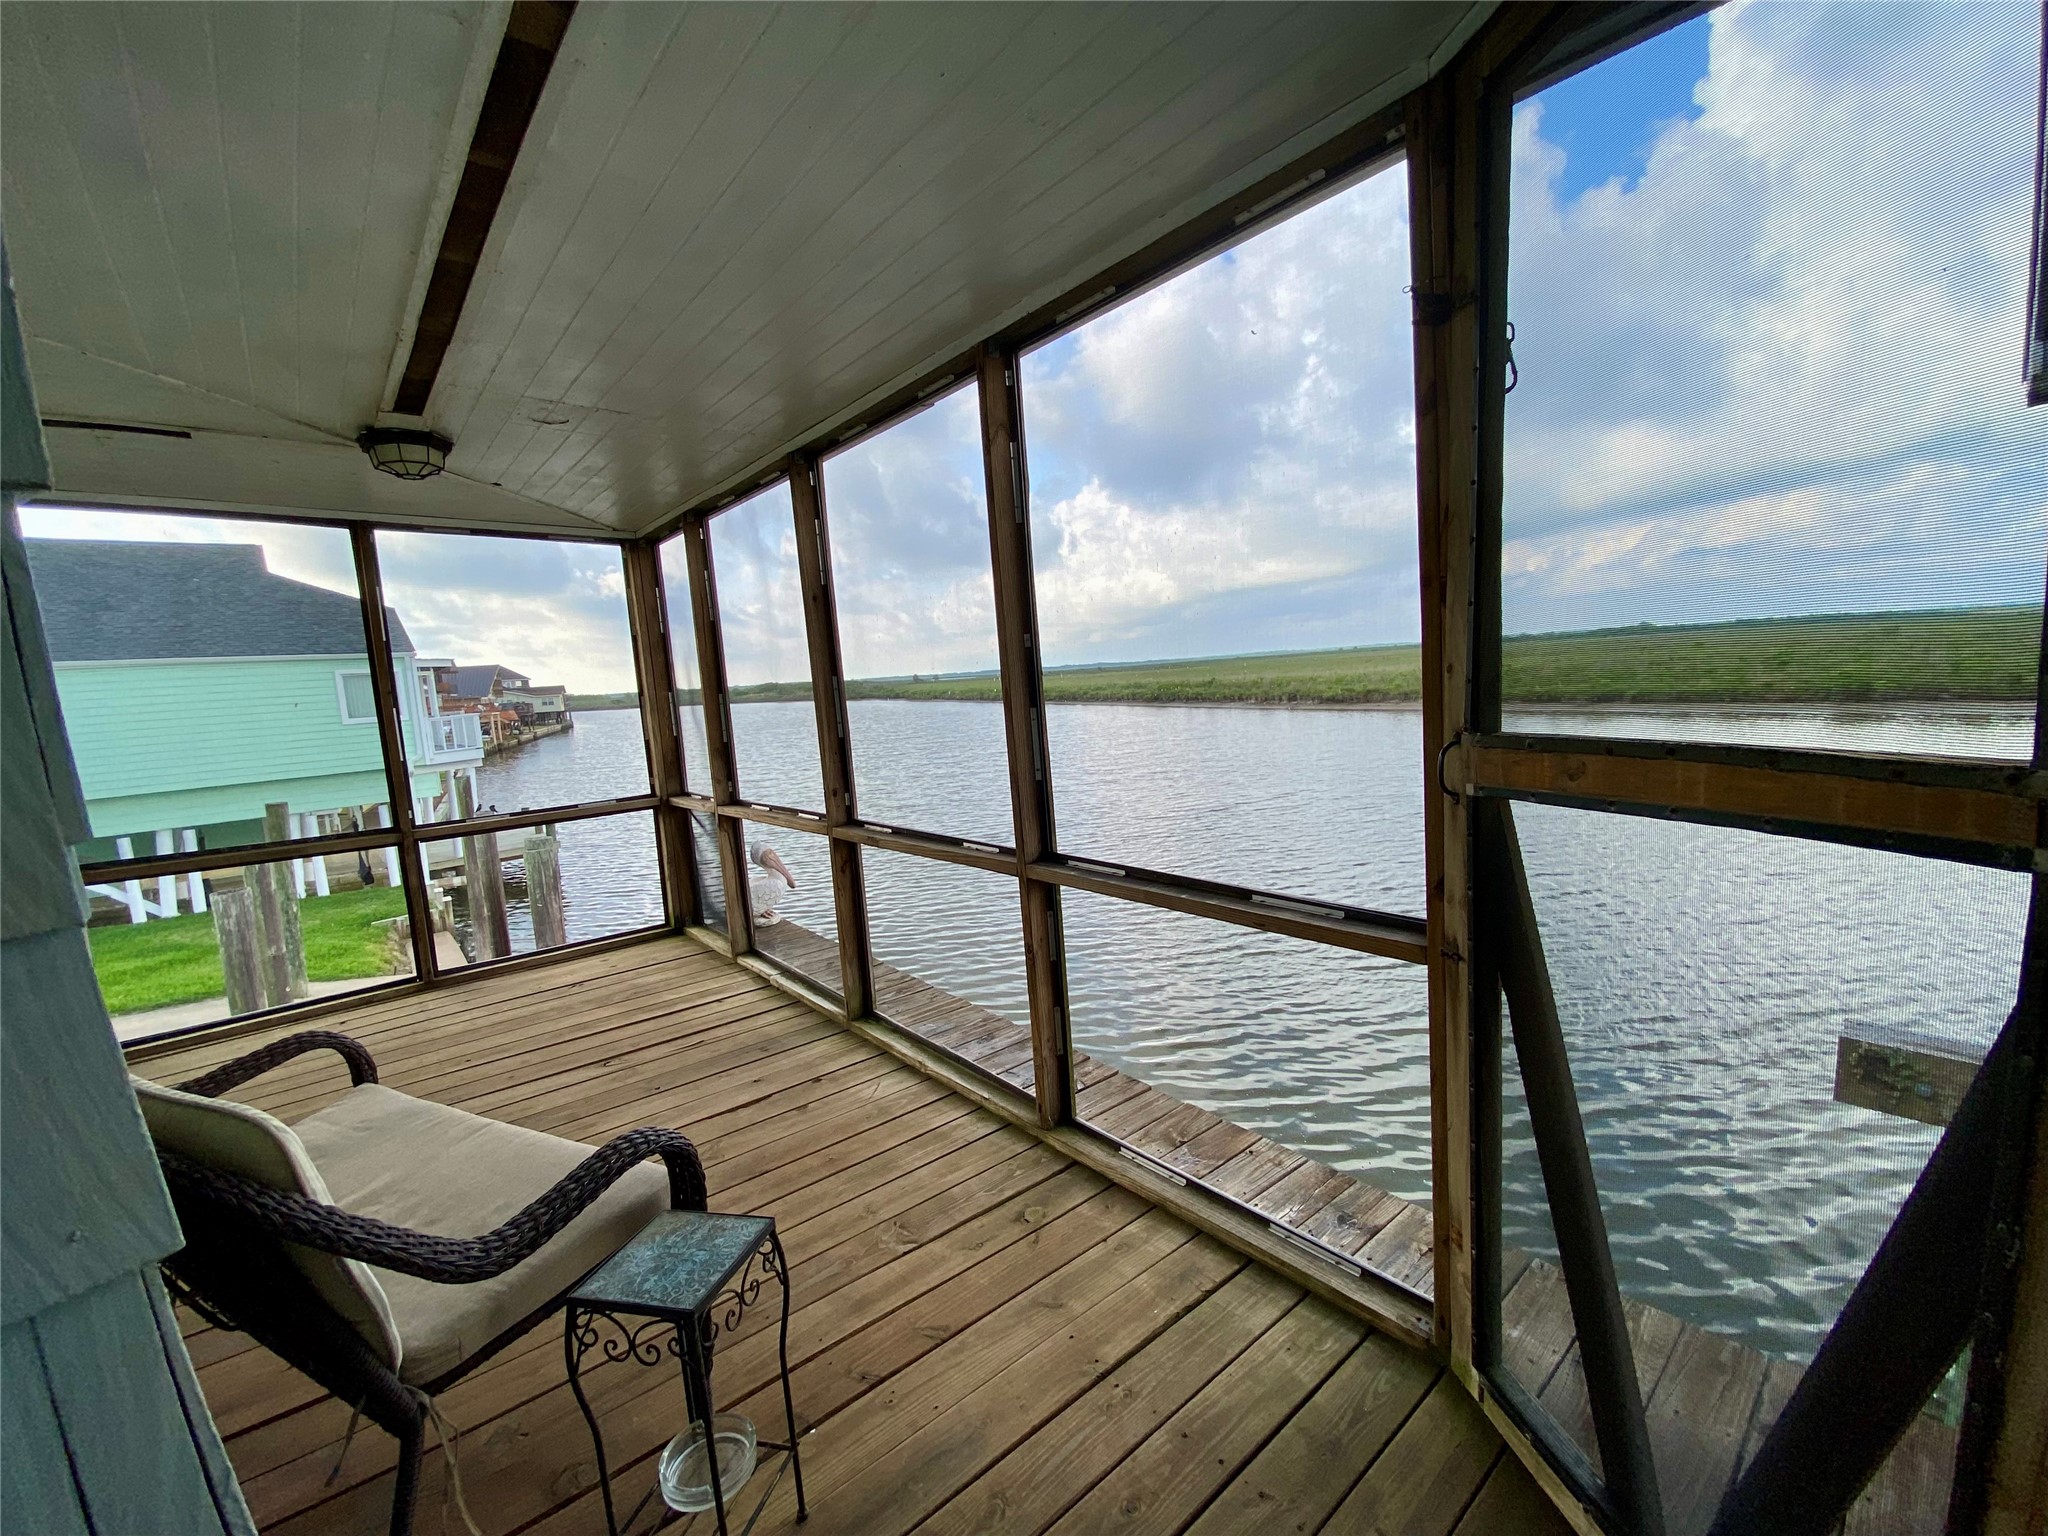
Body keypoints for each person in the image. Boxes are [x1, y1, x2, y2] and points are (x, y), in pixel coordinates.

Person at [748, 839, 796, 926]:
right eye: (770, 854)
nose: (773, 856)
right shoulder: (775, 883)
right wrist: (757, 912)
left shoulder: (766, 880)